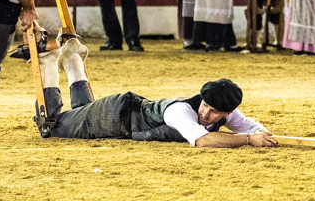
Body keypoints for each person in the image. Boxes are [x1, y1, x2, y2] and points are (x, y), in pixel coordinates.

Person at [29, 37, 275, 146]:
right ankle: (50, 59)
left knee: (81, 112)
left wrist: (261, 133)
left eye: (214, 112)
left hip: (121, 113)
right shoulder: (181, 111)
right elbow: (203, 140)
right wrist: (247, 140)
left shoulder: (226, 112)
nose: (206, 114)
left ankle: (72, 57)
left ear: (226, 112)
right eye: (205, 106)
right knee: (51, 128)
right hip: (113, 118)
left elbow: (249, 126)